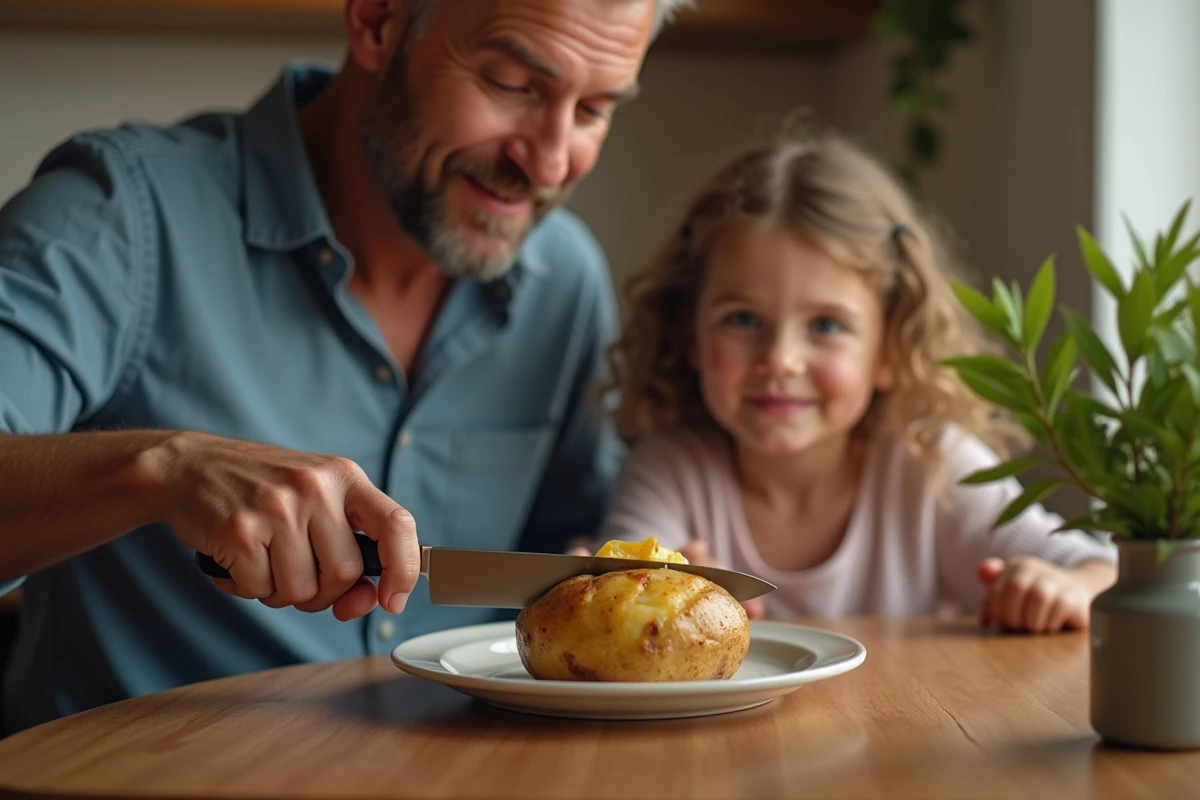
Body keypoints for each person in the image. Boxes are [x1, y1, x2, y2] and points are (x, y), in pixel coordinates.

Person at [0, 0, 691, 733]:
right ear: (376, 22)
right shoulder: (119, 213)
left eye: (592, 110)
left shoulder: (565, 278)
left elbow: (565, 548)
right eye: (511, 85)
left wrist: (629, 584)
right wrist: (161, 469)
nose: (550, 162)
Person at [600, 127, 1117, 633]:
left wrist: (1061, 587)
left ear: (890, 348)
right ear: (689, 332)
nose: (780, 359)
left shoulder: (930, 467)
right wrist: (650, 589)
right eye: (743, 320)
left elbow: (1106, 572)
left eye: (825, 326)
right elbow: (615, 598)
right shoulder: (670, 469)